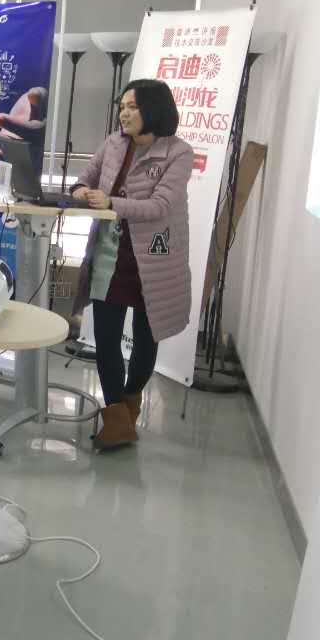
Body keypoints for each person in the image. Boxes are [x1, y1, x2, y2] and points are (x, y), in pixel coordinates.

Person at [71, 79, 193, 451]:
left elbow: (159, 206)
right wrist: (81, 191)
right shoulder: (113, 144)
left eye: (132, 107)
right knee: (106, 336)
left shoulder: (178, 152)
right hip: (111, 250)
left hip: (154, 257)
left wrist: (111, 203)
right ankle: (116, 416)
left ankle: (129, 400)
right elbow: (84, 180)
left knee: (145, 336)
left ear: (153, 109)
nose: (123, 113)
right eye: (122, 106)